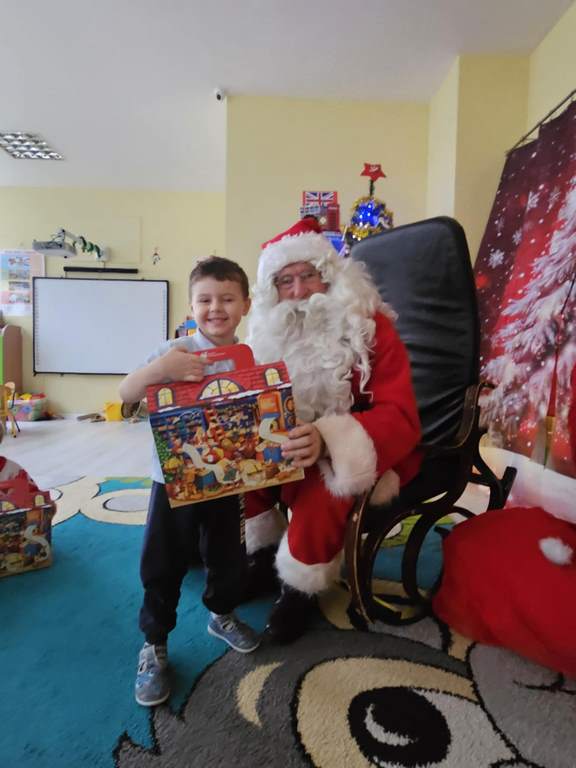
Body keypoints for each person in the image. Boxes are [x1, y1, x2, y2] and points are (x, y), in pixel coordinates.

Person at [244, 217, 422, 643]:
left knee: (324, 486)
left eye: (308, 276)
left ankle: (298, 588)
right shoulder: (266, 338)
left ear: (331, 278)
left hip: (369, 449)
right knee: (245, 466)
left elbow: (400, 415)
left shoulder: (371, 328)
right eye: (285, 281)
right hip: (292, 443)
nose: (299, 291)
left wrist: (327, 439)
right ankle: (262, 556)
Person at [119, 256, 260, 707]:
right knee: (163, 559)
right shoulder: (173, 351)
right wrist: (162, 369)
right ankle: (154, 642)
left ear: (246, 305)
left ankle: (222, 614)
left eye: (227, 299)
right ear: (191, 305)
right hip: (173, 479)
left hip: (227, 478)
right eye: (205, 300)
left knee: (228, 553)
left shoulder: (249, 357)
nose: (215, 308)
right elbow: (125, 394)